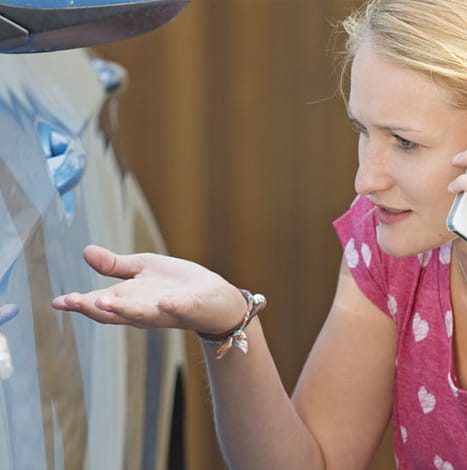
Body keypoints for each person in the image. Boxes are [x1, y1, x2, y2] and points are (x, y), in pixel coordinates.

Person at [52, 0, 467, 468]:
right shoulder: (385, 243)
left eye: (406, 142)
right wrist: (229, 325)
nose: (366, 181)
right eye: (362, 131)